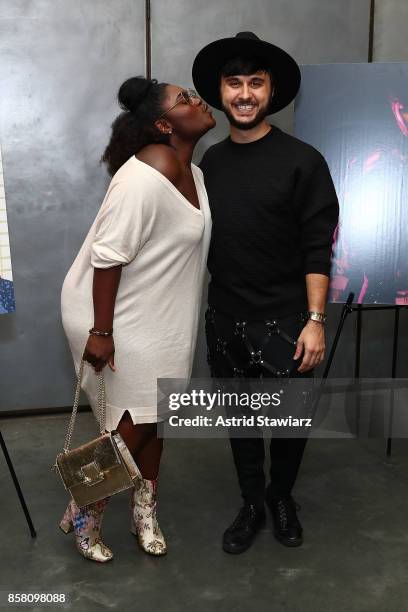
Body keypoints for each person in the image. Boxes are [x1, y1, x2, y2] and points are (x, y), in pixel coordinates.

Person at [193, 32, 339, 553]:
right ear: (221, 91)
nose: (245, 93)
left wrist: (315, 320)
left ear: (271, 91)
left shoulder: (303, 161)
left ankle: (282, 497)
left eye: (256, 82)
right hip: (227, 318)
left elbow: (318, 247)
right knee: (242, 421)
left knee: (291, 421)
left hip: (289, 320)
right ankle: (252, 501)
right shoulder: (208, 165)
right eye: (235, 83)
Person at [60, 76, 215, 562]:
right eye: (184, 98)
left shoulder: (194, 171)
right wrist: (102, 332)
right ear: (164, 124)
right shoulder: (149, 168)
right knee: (134, 425)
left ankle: (144, 512)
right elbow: (107, 256)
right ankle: (84, 511)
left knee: (157, 417)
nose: (198, 98)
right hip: (115, 314)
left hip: (159, 311)